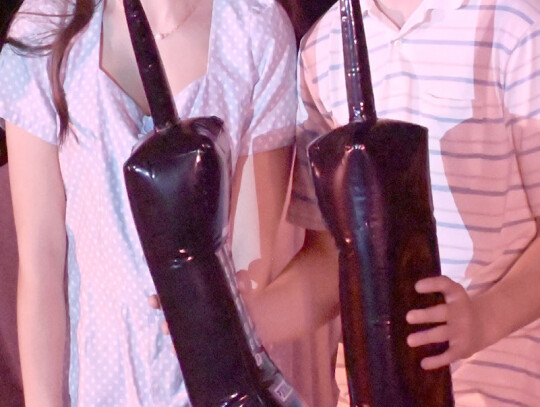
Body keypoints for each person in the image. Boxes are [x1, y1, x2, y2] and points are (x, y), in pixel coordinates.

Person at [0, 0, 305, 405]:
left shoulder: (255, 27)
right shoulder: (45, 26)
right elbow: (41, 260)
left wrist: (204, 304)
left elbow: (251, 263)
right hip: (97, 379)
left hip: (213, 379)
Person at [290, 0, 540, 405]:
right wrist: (233, 314)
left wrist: (482, 319)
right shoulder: (321, 48)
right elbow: (332, 255)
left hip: (499, 381)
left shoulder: (515, 27)